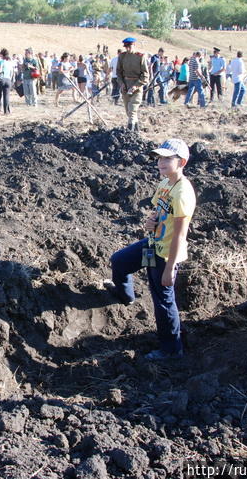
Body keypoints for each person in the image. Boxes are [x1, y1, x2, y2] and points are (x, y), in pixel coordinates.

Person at [107, 139, 195, 360]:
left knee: (163, 301)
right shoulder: (165, 183)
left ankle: (172, 349)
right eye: (159, 158)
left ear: (181, 162)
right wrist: (152, 221)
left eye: (167, 158)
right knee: (119, 261)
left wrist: (170, 268)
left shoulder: (183, 192)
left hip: (166, 254)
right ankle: (126, 295)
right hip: (152, 245)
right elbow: (158, 209)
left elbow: (180, 235)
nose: (161, 162)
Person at [116, 37, 149, 130]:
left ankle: (129, 133)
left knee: (132, 110)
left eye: (129, 46)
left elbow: (145, 75)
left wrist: (136, 86)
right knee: (128, 112)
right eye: (126, 47)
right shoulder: (122, 56)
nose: (128, 49)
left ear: (134, 45)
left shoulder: (140, 57)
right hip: (125, 87)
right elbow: (118, 72)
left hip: (137, 87)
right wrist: (121, 83)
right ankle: (137, 131)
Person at [0, 48, 14, 115]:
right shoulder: (10, 62)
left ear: (2, 55)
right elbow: (12, 72)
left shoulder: (1, 62)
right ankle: (6, 111)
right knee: (6, 96)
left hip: (1, 79)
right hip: (8, 80)